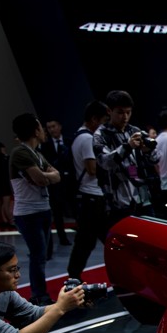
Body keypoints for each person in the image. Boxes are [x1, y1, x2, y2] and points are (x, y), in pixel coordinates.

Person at [9, 113, 60, 306]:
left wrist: (49, 176)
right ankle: (39, 295)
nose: (44, 131)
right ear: (35, 130)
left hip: (42, 210)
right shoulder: (20, 153)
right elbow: (41, 179)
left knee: (42, 254)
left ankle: (39, 293)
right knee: (38, 255)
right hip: (28, 213)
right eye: (40, 127)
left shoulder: (36, 154)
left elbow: (55, 175)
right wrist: (48, 176)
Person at [93, 89, 161, 229]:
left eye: (128, 112)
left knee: (151, 237)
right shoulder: (100, 134)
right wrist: (127, 146)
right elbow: (105, 162)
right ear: (109, 111)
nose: (125, 116)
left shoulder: (134, 130)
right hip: (118, 200)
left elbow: (156, 159)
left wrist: (148, 151)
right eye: (120, 112)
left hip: (142, 196)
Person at [66, 100, 110, 281]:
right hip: (92, 196)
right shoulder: (87, 138)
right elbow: (92, 168)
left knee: (91, 240)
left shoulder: (80, 135)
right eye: (103, 121)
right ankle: (73, 275)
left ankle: (74, 274)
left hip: (91, 196)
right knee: (87, 241)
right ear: (94, 119)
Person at [39, 119, 74, 246]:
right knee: (57, 213)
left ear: (59, 126)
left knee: (76, 210)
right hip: (55, 185)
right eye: (49, 127)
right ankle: (62, 237)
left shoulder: (70, 142)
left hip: (71, 182)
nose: (52, 129)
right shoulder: (45, 146)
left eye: (53, 126)